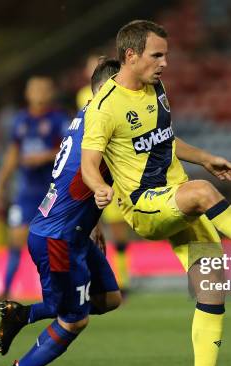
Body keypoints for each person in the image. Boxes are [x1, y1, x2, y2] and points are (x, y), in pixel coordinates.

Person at [80, 21, 231, 366]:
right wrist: (99, 189)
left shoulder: (156, 88)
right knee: (201, 192)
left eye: (166, 54)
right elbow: (88, 163)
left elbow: (165, 139)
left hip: (178, 200)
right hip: (146, 206)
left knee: (212, 287)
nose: (165, 62)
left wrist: (206, 157)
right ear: (130, 55)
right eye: (157, 55)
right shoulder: (103, 107)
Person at [0, 58, 123, 366]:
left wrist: (93, 222)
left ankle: (22, 315)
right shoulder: (104, 122)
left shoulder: (85, 116)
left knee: (109, 298)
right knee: (74, 317)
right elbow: (88, 171)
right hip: (59, 238)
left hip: (73, 230)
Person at [0, 76, 69, 300]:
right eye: (34, 89)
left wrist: (43, 157)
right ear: (27, 93)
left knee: (54, 240)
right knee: (16, 238)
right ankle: (5, 291)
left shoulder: (58, 119)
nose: (39, 93)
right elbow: (13, 153)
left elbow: (69, 148)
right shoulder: (20, 120)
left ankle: (61, 288)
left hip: (50, 191)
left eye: (44, 89)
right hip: (26, 192)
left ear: (51, 93)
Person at [77, 53, 132, 295]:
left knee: (118, 231)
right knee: (92, 229)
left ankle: (124, 279)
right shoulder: (84, 96)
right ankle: (94, 281)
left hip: (116, 171)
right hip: (97, 167)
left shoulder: (122, 93)